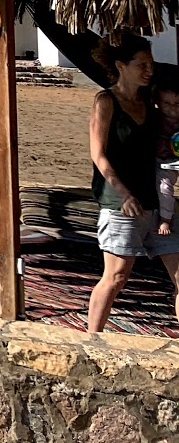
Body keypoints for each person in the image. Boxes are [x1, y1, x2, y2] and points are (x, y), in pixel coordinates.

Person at [87, 33, 179, 332]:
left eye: (150, 64)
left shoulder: (153, 103)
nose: (149, 70)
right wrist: (124, 194)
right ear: (120, 65)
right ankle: (92, 341)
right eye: (141, 64)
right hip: (120, 205)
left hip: (157, 205)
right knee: (116, 277)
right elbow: (99, 156)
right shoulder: (106, 101)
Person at [154, 77, 179, 236]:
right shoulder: (155, 119)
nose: (173, 108)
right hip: (163, 162)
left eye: (177, 104)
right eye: (167, 103)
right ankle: (165, 219)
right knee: (164, 187)